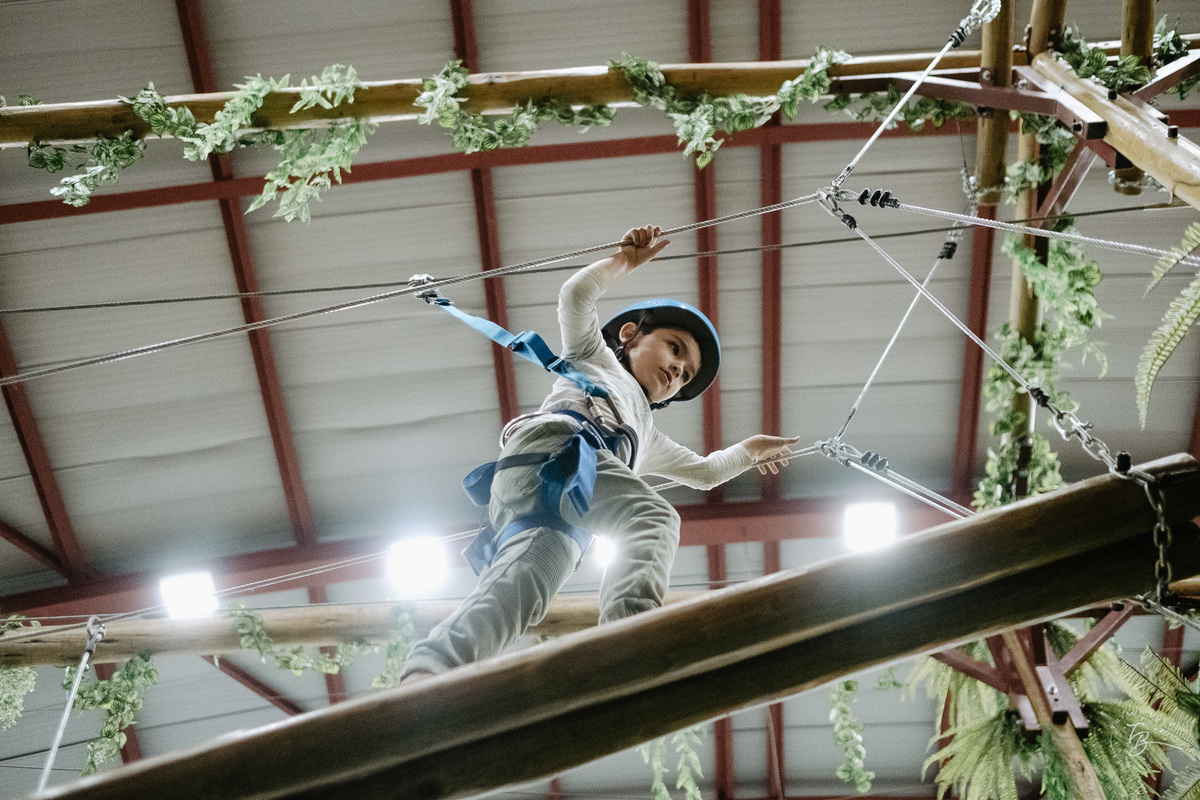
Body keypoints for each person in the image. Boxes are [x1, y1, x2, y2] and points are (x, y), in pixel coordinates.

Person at [401, 224, 799, 681]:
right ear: (630, 334)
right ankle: (629, 644)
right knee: (654, 518)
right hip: (555, 451)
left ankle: (430, 671)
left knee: (520, 592)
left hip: (553, 506)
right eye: (674, 348)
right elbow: (576, 297)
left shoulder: (646, 435)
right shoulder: (597, 358)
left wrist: (748, 451)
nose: (677, 369)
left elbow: (705, 474)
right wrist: (623, 263)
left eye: (686, 374)